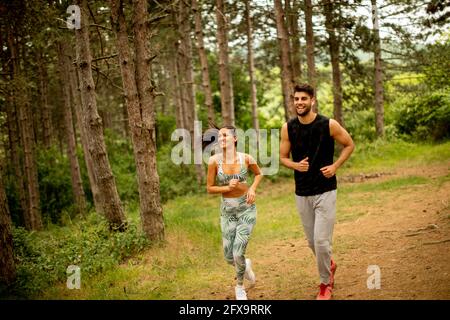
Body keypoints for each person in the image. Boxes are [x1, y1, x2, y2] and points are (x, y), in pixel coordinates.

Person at [280, 83, 355, 300]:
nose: (299, 103)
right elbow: (283, 157)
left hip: (325, 190)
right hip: (302, 192)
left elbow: (349, 144)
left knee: (321, 241)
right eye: (296, 99)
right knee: (313, 242)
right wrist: (295, 165)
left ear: (313, 100)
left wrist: (335, 166)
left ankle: (325, 284)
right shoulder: (288, 128)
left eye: (304, 99)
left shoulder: (328, 124)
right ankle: (329, 264)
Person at [206, 125, 263, 300]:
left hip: (246, 209)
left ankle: (239, 287)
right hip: (227, 212)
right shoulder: (214, 161)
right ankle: (245, 266)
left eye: (225, 135)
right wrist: (225, 187)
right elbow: (209, 188)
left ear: (235, 139)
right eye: (219, 136)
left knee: (238, 252)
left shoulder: (246, 158)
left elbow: (259, 174)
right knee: (229, 256)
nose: (221, 138)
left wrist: (252, 189)